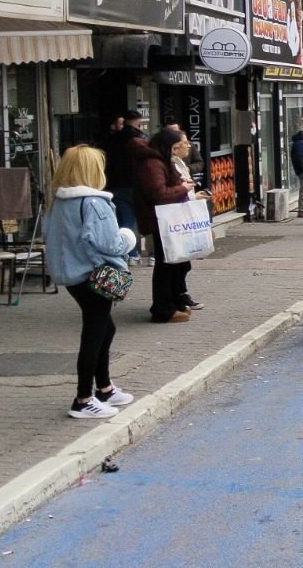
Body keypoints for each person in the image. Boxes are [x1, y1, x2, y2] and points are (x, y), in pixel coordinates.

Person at [46, 145, 138, 419]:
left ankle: (105, 388)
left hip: (72, 275)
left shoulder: (59, 202)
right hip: (94, 275)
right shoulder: (94, 202)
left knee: (104, 329)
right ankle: (83, 399)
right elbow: (109, 243)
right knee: (94, 334)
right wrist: (128, 237)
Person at [135, 128, 210, 322]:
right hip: (160, 220)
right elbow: (159, 194)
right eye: (179, 145)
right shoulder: (152, 163)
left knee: (176, 264)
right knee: (166, 264)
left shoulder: (161, 161)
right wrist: (183, 188)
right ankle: (163, 308)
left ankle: (174, 303)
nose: (184, 148)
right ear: (170, 146)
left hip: (169, 219)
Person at [101, 110, 146, 259]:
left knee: (125, 221)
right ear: (139, 122)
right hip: (134, 184)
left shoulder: (112, 139)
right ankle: (150, 254)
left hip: (115, 185)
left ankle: (129, 254)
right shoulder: (139, 139)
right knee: (145, 218)